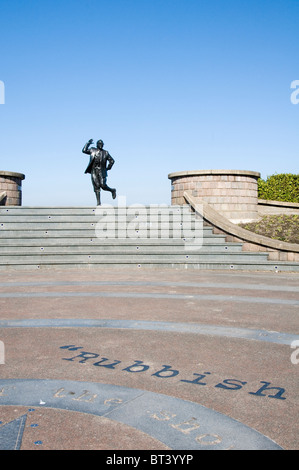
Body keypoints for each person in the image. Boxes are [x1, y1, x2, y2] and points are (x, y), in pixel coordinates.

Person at [82, 138, 116, 205]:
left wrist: (109, 167)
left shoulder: (105, 152)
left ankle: (112, 190)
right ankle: (98, 202)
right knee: (96, 186)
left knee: (103, 185)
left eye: (102, 144)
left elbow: (112, 160)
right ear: (97, 145)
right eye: (99, 144)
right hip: (94, 170)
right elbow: (84, 150)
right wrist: (88, 143)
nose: (101, 145)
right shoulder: (92, 150)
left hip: (102, 171)